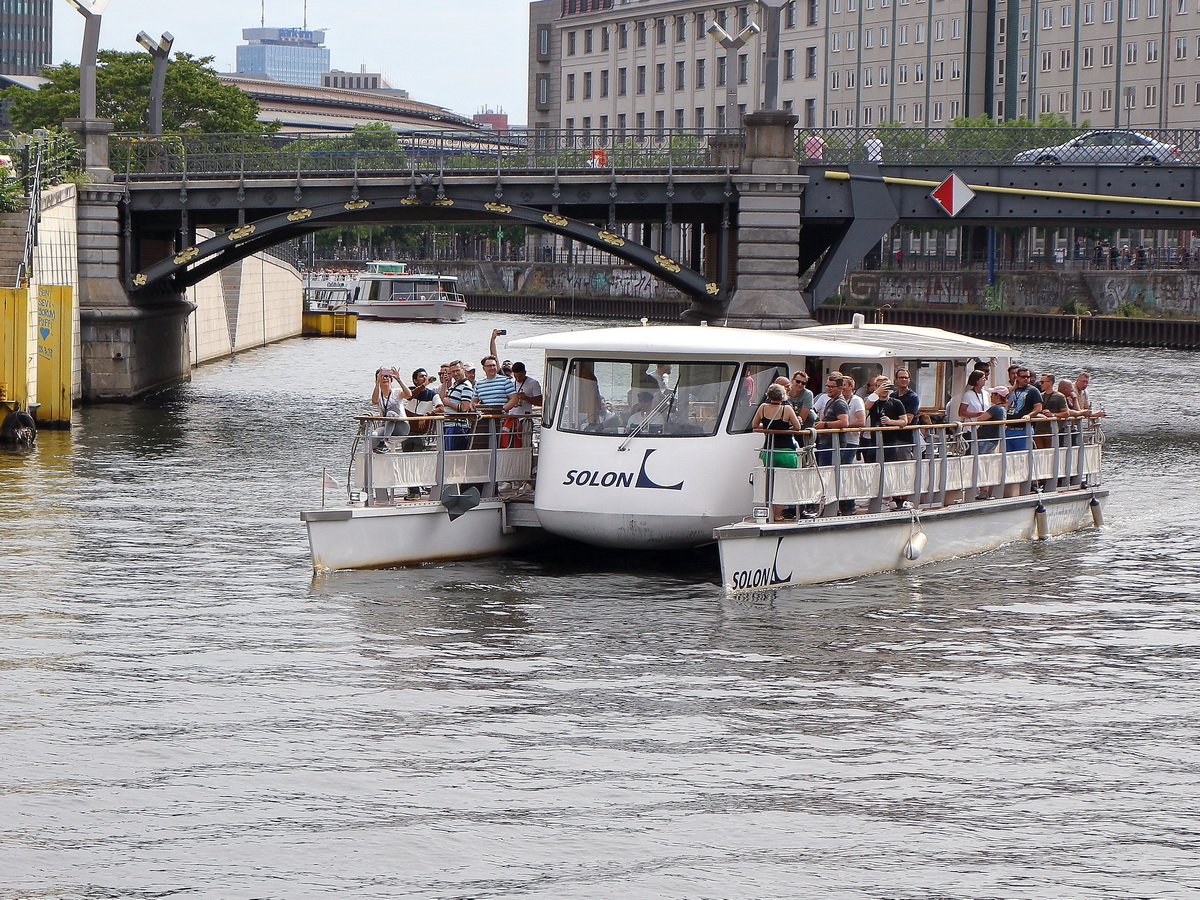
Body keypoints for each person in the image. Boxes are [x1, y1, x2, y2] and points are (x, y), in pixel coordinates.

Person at [751, 383, 802, 521]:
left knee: (770, 483)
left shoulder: (762, 408)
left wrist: (768, 427)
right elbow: (797, 427)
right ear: (784, 396)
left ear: (768, 395)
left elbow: (754, 425)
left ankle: (769, 514)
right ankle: (778, 515)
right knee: (782, 485)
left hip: (769, 451)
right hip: (786, 452)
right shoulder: (787, 409)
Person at [816, 376, 854, 515]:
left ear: (840, 388)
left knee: (831, 476)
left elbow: (844, 422)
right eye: (827, 386)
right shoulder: (830, 401)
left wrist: (824, 425)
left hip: (833, 445)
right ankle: (829, 506)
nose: (828, 389)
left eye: (832, 386)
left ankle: (839, 508)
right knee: (825, 475)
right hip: (826, 443)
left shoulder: (839, 403)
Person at [972, 386, 1008, 499]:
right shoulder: (1002, 409)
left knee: (982, 463)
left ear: (998, 396)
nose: (991, 396)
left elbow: (980, 419)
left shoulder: (995, 409)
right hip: (993, 439)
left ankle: (983, 490)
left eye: (993, 394)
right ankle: (985, 489)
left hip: (986, 439)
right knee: (986, 463)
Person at [370, 366, 412, 454]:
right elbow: (374, 401)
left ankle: (386, 439)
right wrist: (377, 384)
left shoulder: (397, 392)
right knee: (373, 436)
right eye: (382, 376)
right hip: (385, 426)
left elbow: (409, 395)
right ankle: (379, 453)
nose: (385, 378)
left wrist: (399, 379)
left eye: (387, 376)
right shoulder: (378, 395)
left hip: (401, 426)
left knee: (390, 413)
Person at [439, 360, 475, 450]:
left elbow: (465, 408)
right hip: (449, 426)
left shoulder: (466, 386)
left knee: (454, 457)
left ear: (463, 370)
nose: (456, 374)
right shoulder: (454, 386)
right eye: (453, 372)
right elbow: (441, 398)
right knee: (447, 456)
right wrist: (444, 383)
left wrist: (448, 403)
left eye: (457, 370)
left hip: (458, 427)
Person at [1005, 367, 1042, 453]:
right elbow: (1001, 398)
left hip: (1023, 429)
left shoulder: (1033, 390)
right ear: (1017, 377)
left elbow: (1038, 407)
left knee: (1022, 456)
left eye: (1027, 377)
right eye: (1023, 377)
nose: (1026, 379)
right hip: (1009, 429)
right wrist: (1013, 387)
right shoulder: (1011, 389)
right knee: (1008, 456)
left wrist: (1029, 415)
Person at [892, 368, 920, 461]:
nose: (903, 380)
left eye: (906, 378)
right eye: (901, 377)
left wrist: (890, 420)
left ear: (909, 380)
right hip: (891, 437)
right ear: (896, 379)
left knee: (903, 465)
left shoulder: (913, 397)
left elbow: (909, 419)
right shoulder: (892, 396)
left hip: (905, 438)